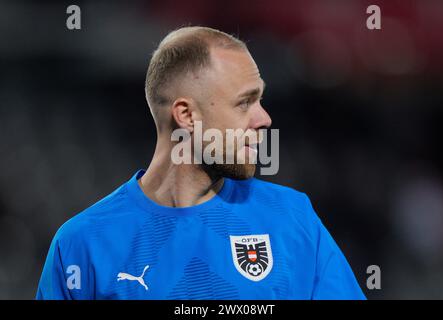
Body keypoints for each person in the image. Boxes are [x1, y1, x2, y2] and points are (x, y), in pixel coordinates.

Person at [36, 26, 365, 300]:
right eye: (244, 103)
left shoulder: (293, 219)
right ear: (186, 115)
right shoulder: (82, 244)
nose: (264, 118)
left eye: (260, 99)